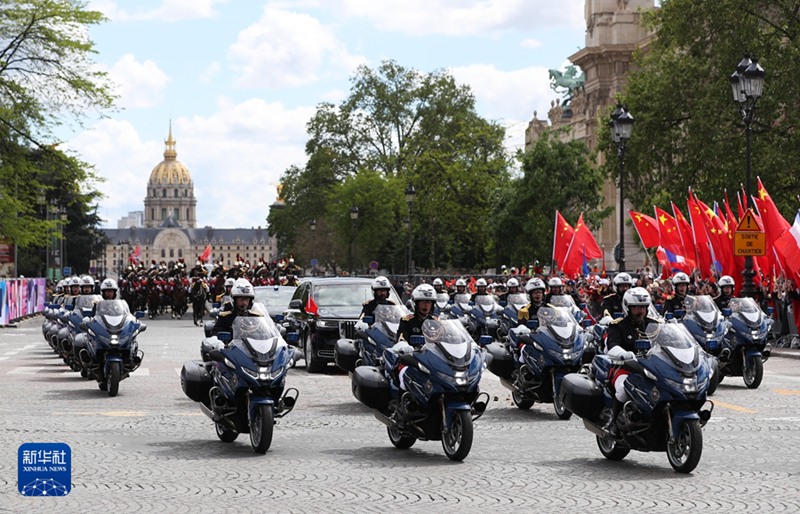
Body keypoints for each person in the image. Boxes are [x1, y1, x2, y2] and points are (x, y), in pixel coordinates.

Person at [603, 287, 660, 436]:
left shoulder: (654, 325)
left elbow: (667, 342)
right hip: (624, 367)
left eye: (643, 307)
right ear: (627, 308)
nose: (640, 311)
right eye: (635, 308)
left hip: (652, 368)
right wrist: (623, 354)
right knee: (623, 389)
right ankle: (614, 423)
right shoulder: (618, 325)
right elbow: (612, 345)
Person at [393, 284, 438, 390]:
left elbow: (446, 339)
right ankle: (402, 401)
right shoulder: (407, 320)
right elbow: (401, 337)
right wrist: (404, 345)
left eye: (429, 302)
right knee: (403, 377)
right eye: (423, 302)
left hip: (433, 358)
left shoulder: (437, 322)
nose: (426, 305)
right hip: (412, 357)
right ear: (416, 303)